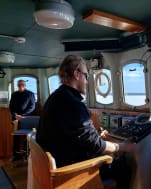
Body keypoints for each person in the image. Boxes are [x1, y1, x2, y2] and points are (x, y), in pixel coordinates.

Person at [36, 55, 135, 189]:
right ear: (77, 74)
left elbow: (71, 134)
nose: (87, 81)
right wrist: (122, 146)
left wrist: (95, 136)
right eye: (86, 76)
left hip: (59, 162)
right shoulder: (73, 103)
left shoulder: (54, 98)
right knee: (123, 168)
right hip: (72, 171)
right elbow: (94, 145)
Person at [9, 79, 36, 160]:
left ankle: (27, 155)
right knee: (16, 137)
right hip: (16, 118)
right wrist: (16, 115)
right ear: (17, 85)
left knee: (27, 137)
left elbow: (32, 107)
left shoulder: (30, 94)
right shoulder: (14, 94)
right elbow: (11, 107)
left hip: (26, 118)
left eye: (22, 84)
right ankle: (16, 155)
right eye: (19, 84)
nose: (21, 85)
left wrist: (23, 115)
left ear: (25, 85)